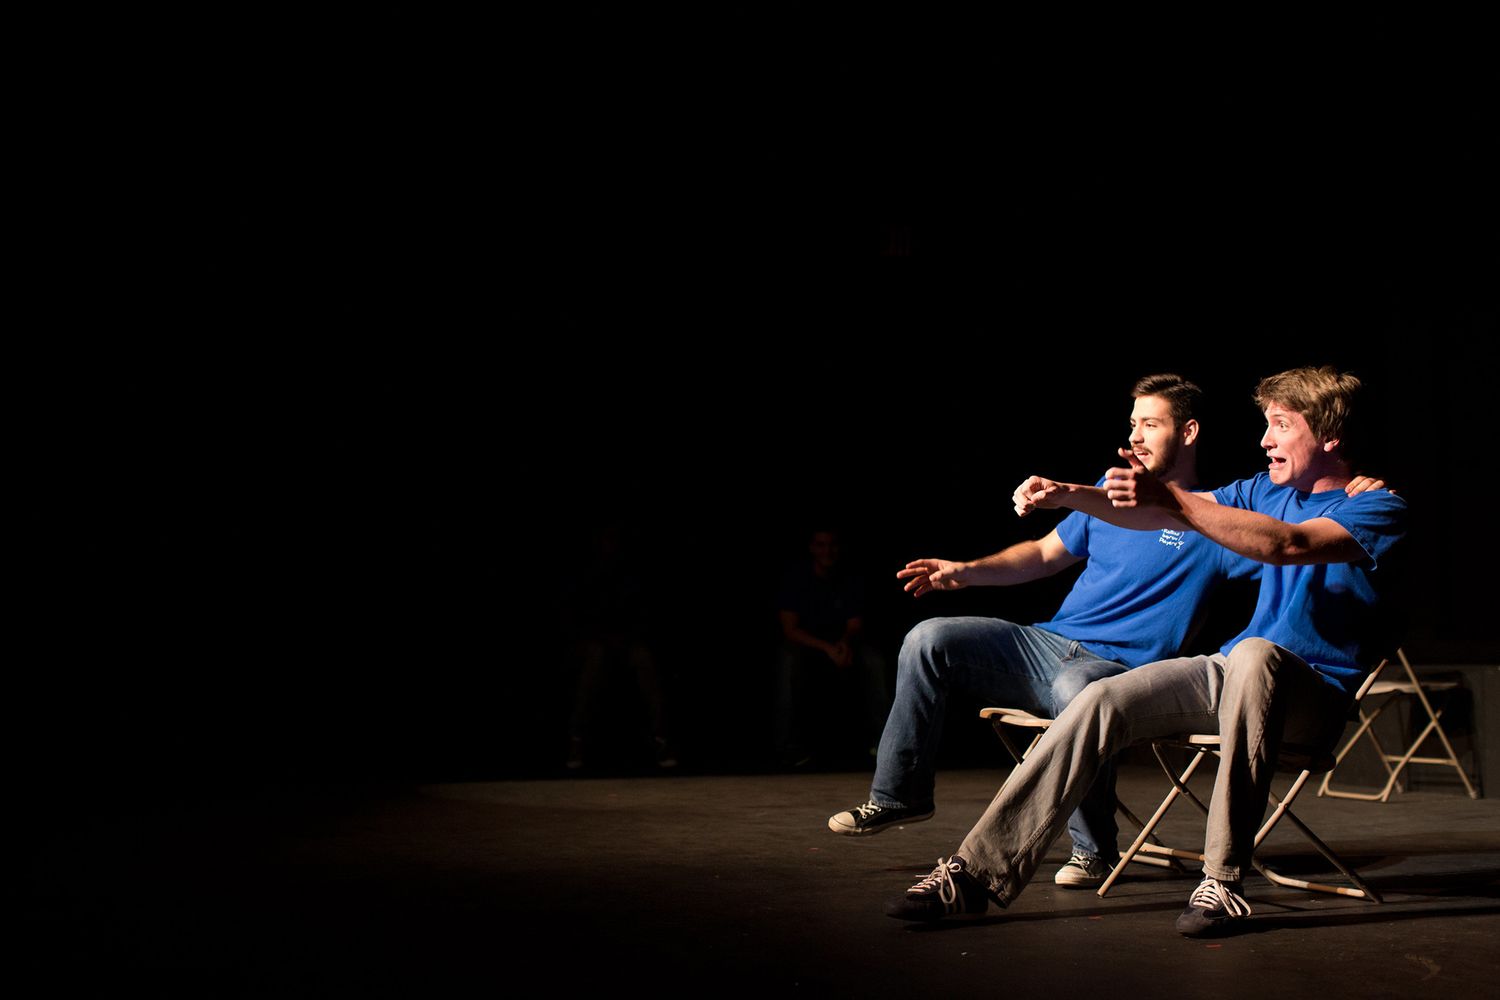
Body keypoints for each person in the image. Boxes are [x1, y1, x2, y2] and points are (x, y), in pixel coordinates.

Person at [885, 366, 1406, 937]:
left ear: (1330, 438)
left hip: (1310, 694)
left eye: (1281, 425)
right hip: (1228, 673)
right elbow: (1158, 511)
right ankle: (975, 873)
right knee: (1100, 696)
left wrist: (1174, 500)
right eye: (1265, 426)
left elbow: (1290, 544)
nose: (1264, 440)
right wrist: (1067, 496)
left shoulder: (1378, 509)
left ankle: (1222, 881)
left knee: (1257, 652)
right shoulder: (1262, 491)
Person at [830, 373, 1262, 888]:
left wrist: (1350, 490)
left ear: (1188, 432)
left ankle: (1093, 850)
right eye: (1132, 425)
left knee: (1075, 688)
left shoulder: (1222, 515)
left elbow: (1292, 533)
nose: (1136, 437)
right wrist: (962, 571)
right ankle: (901, 795)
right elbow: (1040, 554)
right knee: (929, 638)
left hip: (1118, 670)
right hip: (1047, 644)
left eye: (1151, 424)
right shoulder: (1108, 498)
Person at [774, 529, 889, 768]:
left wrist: (844, 643)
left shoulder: (849, 577)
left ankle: (884, 743)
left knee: (873, 661)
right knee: (788, 663)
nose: (827, 551)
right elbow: (790, 629)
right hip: (807, 642)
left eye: (832, 545)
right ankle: (787, 747)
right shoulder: (797, 579)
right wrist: (826, 648)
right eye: (821, 545)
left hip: (842, 642)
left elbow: (854, 624)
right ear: (811, 548)